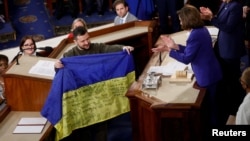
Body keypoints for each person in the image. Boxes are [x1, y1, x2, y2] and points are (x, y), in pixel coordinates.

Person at [54, 26, 134, 140]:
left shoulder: (97, 47)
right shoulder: (69, 55)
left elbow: (110, 49)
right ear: (75, 41)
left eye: (88, 39)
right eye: (83, 41)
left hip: (98, 95)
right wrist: (56, 66)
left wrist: (123, 48)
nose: (87, 43)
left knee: (101, 126)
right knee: (85, 128)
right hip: (83, 98)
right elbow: (60, 72)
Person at [152, 5, 222, 126]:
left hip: (207, 75)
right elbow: (191, 51)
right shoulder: (201, 30)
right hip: (212, 71)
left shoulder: (194, 35)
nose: (180, 22)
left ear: (187, 20)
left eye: (181, 19)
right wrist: (175, 47)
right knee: (213, 105)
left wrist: (169, 51)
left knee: (211, 107)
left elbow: (186, 58)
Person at [200, 0, 246, 124]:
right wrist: (211, 15)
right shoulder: (225, 4)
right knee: (227, 78)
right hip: (223, 46)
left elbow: (228, 27)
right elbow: (219, 20)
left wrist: (211, 17)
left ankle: (235, 107)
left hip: (231, 48)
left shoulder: (235, 6)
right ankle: (229, 104)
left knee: (233, 78)